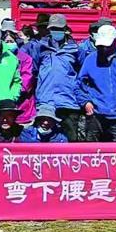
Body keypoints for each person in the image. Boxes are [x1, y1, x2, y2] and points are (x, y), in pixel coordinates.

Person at [77, 24, 116, 142]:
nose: (104, 49)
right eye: (101, 46)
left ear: (114, 42)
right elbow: (79, 84)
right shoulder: (90, 59)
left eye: (106, 46)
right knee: (92, 150)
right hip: (95, 115)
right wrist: (85, 102)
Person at [34, 14, 83, 142]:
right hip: (46, 102)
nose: (56, 31)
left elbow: (81, 73)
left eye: (59, 29)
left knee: (71, 141)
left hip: (68, 102)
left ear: (65, 29)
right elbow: (34, 70)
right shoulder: (40, 47)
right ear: (49, 29)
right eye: (53, 28)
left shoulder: (75, 49)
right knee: (44, 142)